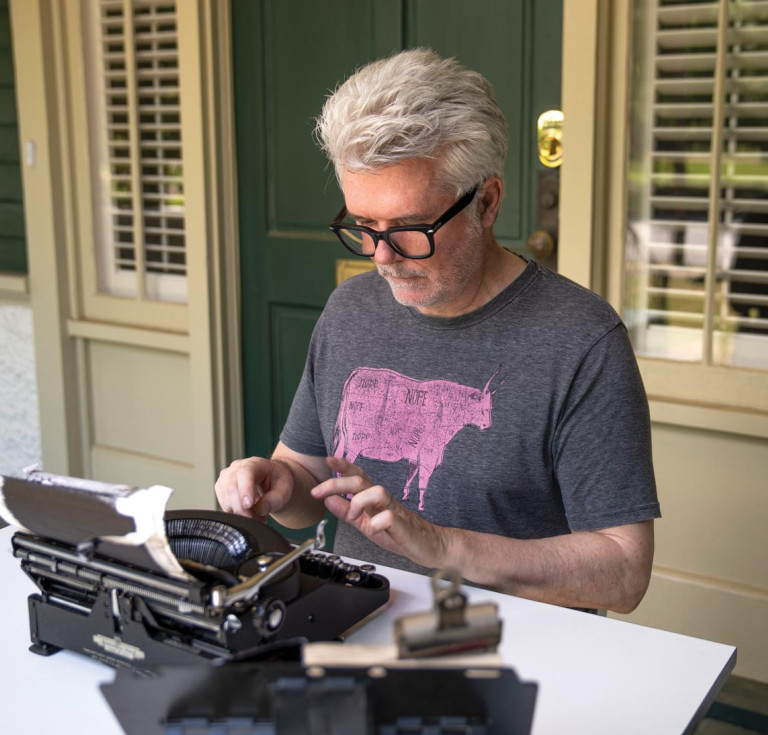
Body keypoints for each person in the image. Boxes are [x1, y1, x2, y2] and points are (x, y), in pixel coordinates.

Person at [216, 48, 660, 613]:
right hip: (357, 618)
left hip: (511, 641)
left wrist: (443, 547)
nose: (381, 256)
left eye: (410, 227)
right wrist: (276, 481)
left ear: (487, 203)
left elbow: (623, 573)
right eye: (364, 224)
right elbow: (307, 484)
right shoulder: (350, 309)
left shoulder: (582, 340)